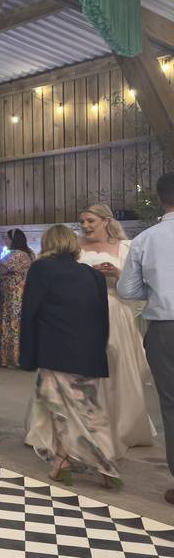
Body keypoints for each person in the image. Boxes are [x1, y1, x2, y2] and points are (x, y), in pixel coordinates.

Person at [21, 225, 119, 488]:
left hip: (55, 350)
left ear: (47, 243)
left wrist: (27, 356)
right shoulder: (93, 276)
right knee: (89, 409)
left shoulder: (41, 269)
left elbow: (30, 313)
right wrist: (99, 350)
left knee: (58, 407)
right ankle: (66, 461)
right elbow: (102, 319)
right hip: (89, 351)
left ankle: (102, 464)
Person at [77, 203, 155, 457]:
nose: (86, 226)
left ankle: (123, 426)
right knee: (85, 370)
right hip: (85, 314)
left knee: (118, 368)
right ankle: (86, 425)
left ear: (106, 222)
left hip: (115, 312)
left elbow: (139, 285)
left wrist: (118, 273)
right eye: (83, 222)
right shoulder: (76, 249)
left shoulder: (125, 248)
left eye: (91, 221)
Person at [119, 172, 174, 506]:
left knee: (170, 405)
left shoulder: (147, 239)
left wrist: (154, 292)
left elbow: (127, 290)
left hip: (165, 329)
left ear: (158, 199)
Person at [0, 229, 33, 368]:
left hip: (13, 295)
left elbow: (1, 268)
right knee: (19, 324)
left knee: (11, 324)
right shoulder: (29, 253)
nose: (5, 241)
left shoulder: (15, 254)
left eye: (6, 238)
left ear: (13, 240)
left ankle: (11, 358)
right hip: (22, 292)